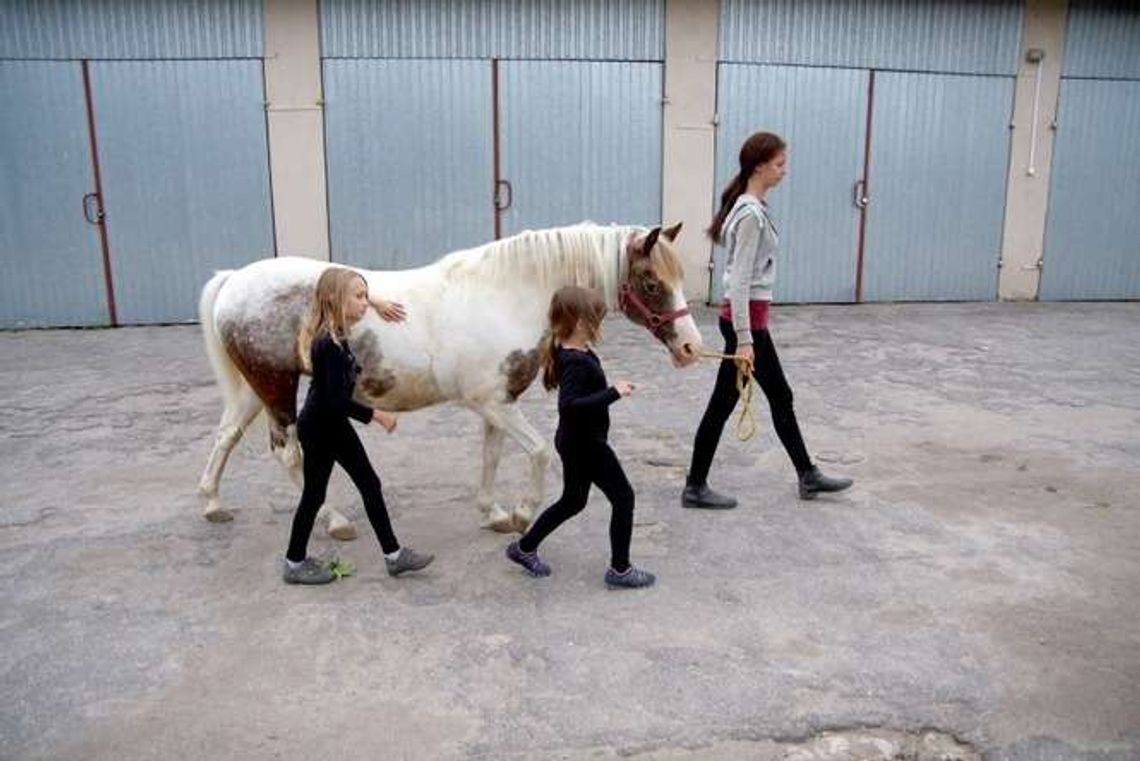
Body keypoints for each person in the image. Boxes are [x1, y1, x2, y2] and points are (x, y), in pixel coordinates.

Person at [682, 131, 853, 509]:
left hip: (750, 324)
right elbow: (740, 280)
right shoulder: (750, 216)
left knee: (777, 397)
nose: (784, 171)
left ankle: (806, 475)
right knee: (728, 405)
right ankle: (695, 486)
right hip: (747, 326)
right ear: (759, 166)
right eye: (779, 164)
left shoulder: (748, 208)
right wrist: (744, 338)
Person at [283, 266, 433, 584]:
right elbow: (336, 401)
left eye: (366, 296)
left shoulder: (335, 334)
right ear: (336, 300)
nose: (365, 303)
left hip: (325, 425)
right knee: (329, 491)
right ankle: (296, 563)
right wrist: (377, 415)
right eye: (360, 297)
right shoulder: (330, 345)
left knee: (331, 491)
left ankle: (391, 555)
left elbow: (331, 398)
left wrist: (375, 300)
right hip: (324, 427)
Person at [505, 286, 655, 589]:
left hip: (577, 441)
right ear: (580, 322)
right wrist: (613, 393)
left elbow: (580, 397)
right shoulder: (574, 360)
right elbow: (570, 406)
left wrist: (607, 389)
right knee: (623, 498)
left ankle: (523, 548)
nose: (600, 324)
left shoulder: (572, 350)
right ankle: (620, 569)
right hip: (586, 444)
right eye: (596, 318)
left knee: (573, 500)